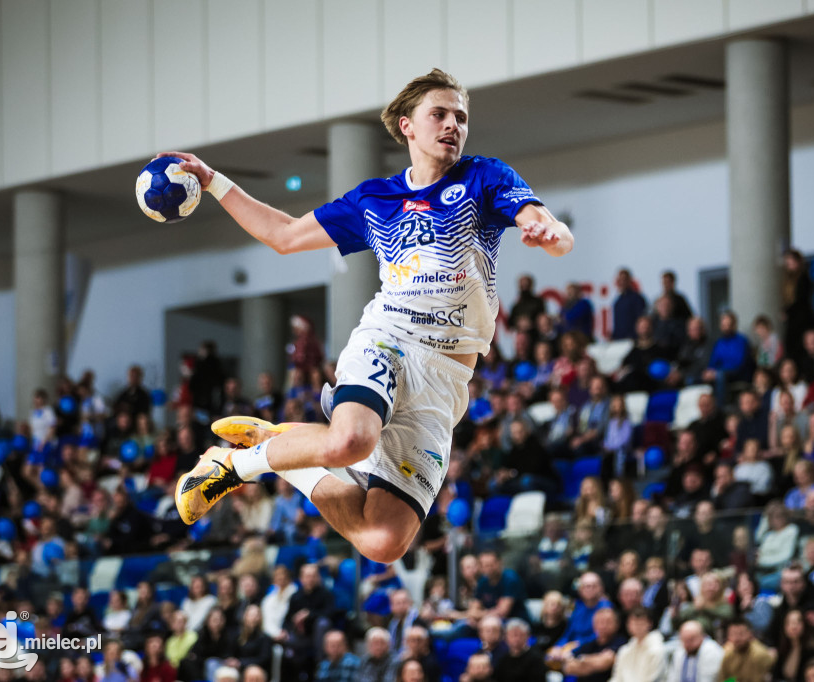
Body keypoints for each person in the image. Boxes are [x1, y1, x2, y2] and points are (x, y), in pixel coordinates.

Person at [169, 68, 573, 563]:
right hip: (390, 338)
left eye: (461, 118)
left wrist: (549, 234)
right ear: (407, 125)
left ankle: (277, 445)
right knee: (351, 442)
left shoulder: (484, 177)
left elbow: (545, 223)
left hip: (446, 379)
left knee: (382, 542)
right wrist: (214, 182)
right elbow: (286, 236)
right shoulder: (375, 198)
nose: (453, 126)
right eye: (440, 114)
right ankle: (232, 466)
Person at [560, 607, 622, 682]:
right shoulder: (589, 644)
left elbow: (605, 663)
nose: (603, 626)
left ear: (617, 624)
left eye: (608, 622)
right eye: (600, 622)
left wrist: (581, 661)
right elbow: (568, 668)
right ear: (594, 624)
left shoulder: (620, 642)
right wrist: (591, 661)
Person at [610, 607, 665, 682]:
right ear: (628, 625)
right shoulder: (625, 650)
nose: (637, 627)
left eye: (641, 623)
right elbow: (617, 678)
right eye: (634, 623)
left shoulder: (656, 650)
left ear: (649, 624)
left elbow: (653, 679)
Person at [718, 618, 774, 682]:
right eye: (732, 634)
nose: (737, 639)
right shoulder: (728, 655)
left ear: (750, 634)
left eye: (741, 634)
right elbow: (724, 679)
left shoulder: (759, 655)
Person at [493, 618, 545, 682]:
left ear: (527, 636)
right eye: (513, 635)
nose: (516, 639)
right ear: (506, 638)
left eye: (520, 635)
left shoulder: (536, 657)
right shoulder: (502, 659)